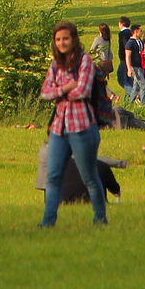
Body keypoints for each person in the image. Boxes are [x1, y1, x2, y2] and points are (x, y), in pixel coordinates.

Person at [38, 21, 106, 228]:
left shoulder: (84, 61)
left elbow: (83, 90)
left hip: (82, 126)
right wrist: (66, 87)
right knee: (53, 175)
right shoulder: (55, 64)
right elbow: (45, 93)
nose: (61, 43)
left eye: (65, 38)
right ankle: (48, 222)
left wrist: (59, 91)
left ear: (74, 39)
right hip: (59, 128)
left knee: (89, 176)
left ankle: (100, 219)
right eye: (58, 39)